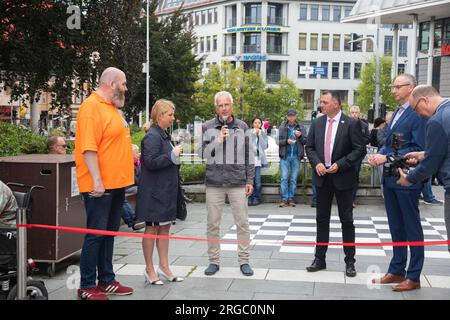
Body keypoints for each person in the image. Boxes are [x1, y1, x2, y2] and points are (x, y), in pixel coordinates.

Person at [74, 67, 134, 300]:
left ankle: (107, 280)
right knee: (96, 234)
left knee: (109, 232)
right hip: (100, 185)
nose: (126, 88)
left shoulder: (111, 108)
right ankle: (87, 286)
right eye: (124, 84)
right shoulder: (91, 107)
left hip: (116, 183)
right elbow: (88, 147)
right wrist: (97, 180)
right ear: (111, 83)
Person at [368, 73, 427, 292]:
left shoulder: (418, 113)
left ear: (410, 87)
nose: (393, 90)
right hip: (390, 177)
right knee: (396, 226)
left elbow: (419, 148)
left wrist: (388, 157)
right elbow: (390, 142)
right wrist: (379, 154)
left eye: (397, 86)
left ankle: (414, 275)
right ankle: (397, 269)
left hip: (407, 178)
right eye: (392, 86)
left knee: (412, 227)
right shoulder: (399, 113)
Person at [305, 91, 366, 278]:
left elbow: (359, 150)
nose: (321, 105)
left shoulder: (351, 123)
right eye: (321, 102)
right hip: (322, 178)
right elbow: (309, 147)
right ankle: (319, 258)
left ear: (336, 104)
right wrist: (317, 163)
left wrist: (340, 164)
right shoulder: (317, 122)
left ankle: (349, 262)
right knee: (321, 219)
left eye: (324, 102)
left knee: (346, 220)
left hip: (344, 178)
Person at [198, 91, 255, 277]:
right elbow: (202, 154)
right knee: (213, 224)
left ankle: (244, 260)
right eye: (220, 105)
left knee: (243, 223)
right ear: (216, 108)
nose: (223, 108)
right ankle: (213, 261)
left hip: (237, 181)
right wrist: (218, 140)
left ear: (232, 106)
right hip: (214, 183)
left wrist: (249, 180)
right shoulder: (207, 127)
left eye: (226, 105)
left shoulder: (242, 126)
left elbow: (249, 155)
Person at [136, 99, 184, 285]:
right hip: (155, 193)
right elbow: (150, 162)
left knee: (164, 228)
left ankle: (164, 267)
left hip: (165, 192)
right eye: (170, 114)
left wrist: (174, 157)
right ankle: (149, 269)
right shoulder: (152, 136)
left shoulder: (162, 135)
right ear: (160, 115)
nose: (173, 118)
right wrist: (172, 155)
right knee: (152, 229)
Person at [397, 85, 450, 253]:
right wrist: (424, 153)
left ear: (425, 100)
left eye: (416, 109)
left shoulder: (437, 120)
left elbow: (431, 163)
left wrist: (409, 178)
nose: (418, 115)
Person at [278, 109, 307, 207]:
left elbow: (305, 142)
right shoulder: (282, 127)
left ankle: (291, 198)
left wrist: (300, 136)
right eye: (289, 116)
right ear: (287, 117)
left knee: (293, 179)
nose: (291, 117)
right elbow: (278, 142)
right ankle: (284, 198)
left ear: (296, 116)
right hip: (285, 156)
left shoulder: (301, 127)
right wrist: (286, 141)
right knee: (284, 178)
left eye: (293, 115)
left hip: (296, 157)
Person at [349, 105, 370, 207]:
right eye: (352, 112)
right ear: (349, 113)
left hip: (358, 155)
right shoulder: (345, 123)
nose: (354, 114)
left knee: (354, 177)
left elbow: (367, 138)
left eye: (356, 112)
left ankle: (351, 199)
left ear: (359, 113)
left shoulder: (364, 125)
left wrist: (358, 141)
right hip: (346, 154)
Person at [121, 144, 145, 231]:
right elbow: (136, 180)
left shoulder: (137, 163)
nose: (139, 154)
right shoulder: (128, 165)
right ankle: (136, 219)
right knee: (143, 190)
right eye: (136, 153)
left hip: (131, 185)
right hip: (128, 186)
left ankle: (137, 219)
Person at [248, 117, 268, 206]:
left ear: (261, 125)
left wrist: (259, 135)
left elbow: (264, 146)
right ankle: (249, 197)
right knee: (249, 181)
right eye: (255, 123)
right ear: (253, 124)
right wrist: (253, 135)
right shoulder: (248, 133)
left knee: (257, 182)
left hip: (258, 161)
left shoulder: (263, 134)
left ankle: (256, 198)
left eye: (259, 123)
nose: (257, 124)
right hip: (249, 161)